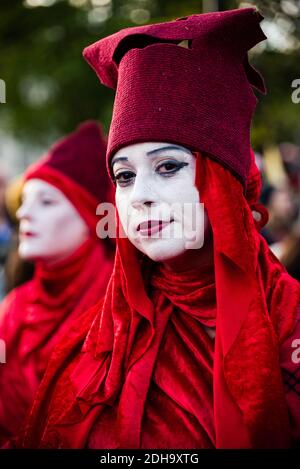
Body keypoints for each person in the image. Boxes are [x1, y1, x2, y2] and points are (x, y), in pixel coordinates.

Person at [18, 8, 300, 449]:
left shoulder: (292, 324)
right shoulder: (98, 339)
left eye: (168, 167)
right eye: (124, 177)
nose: (140, 195)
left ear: (223, 184)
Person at [0, 121, 114, 445]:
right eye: (24, 200)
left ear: (91, 218)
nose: (23, 213)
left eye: (46, 201)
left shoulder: (123, 308)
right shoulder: (12, 309)